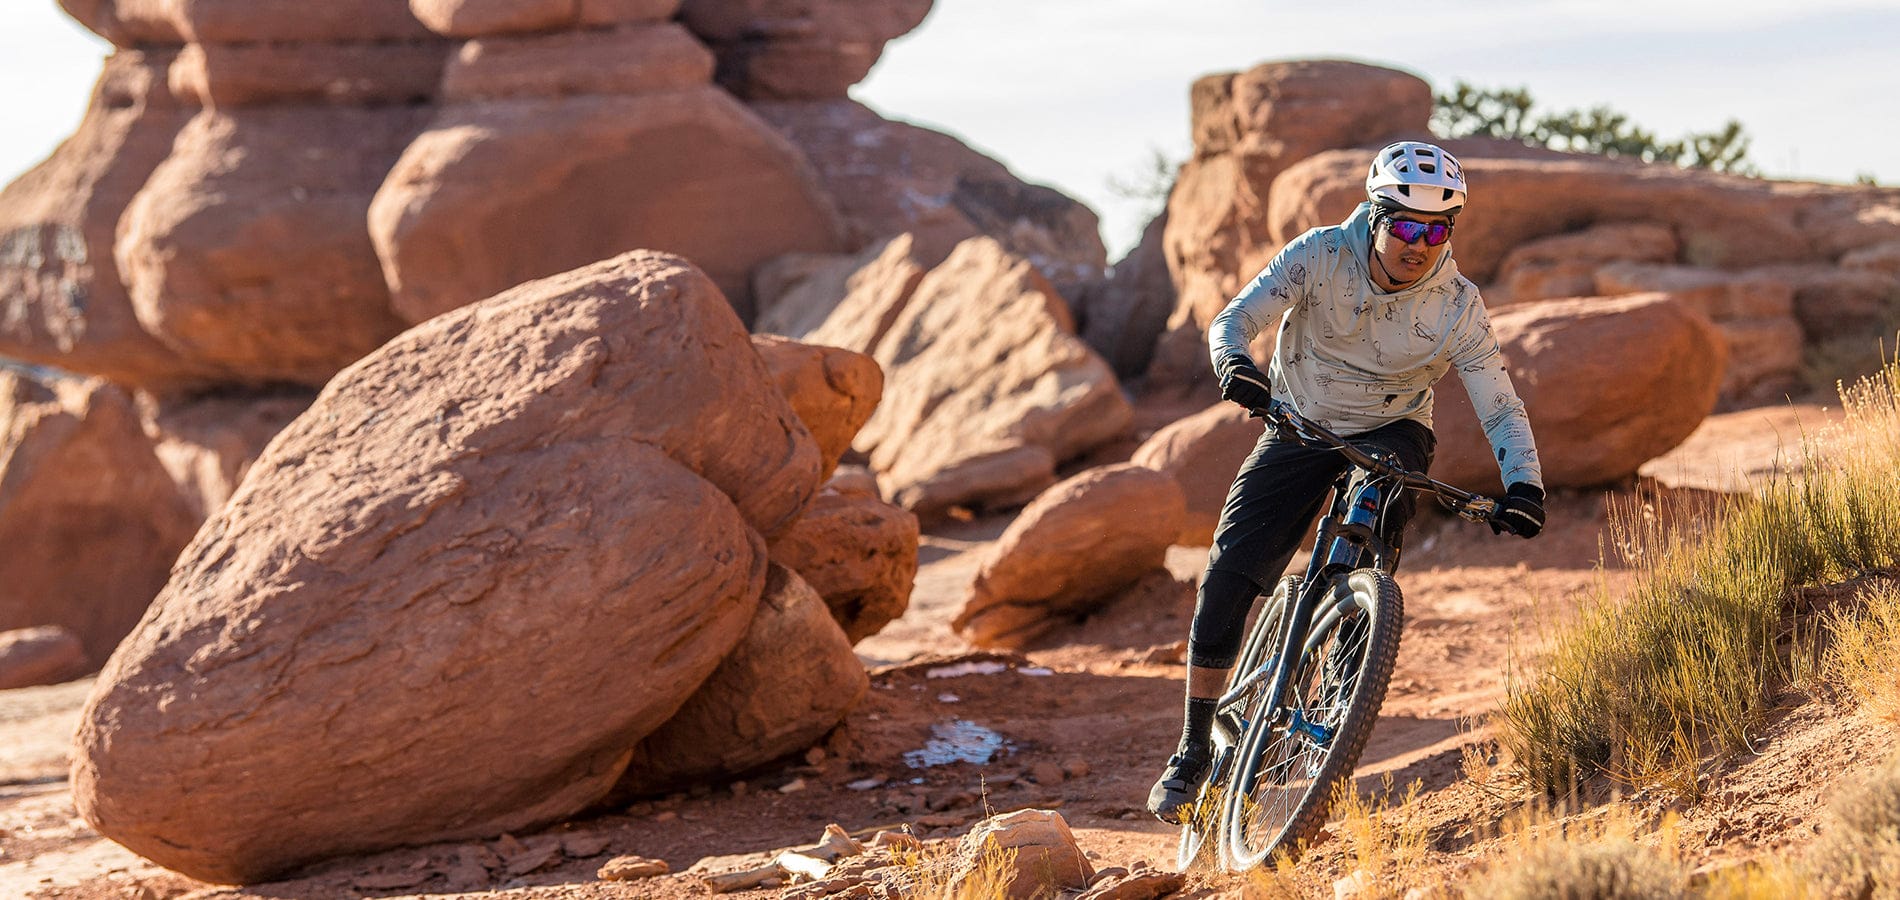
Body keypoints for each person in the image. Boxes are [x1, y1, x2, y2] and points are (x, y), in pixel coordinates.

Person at [1146, 140, 1547, 823]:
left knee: (1382, 499)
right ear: (1376, 213)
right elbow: (1234, 320)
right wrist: (1234, 364)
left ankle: (1346, 662)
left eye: (1437, 230)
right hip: (1299, 420)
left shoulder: (1458, 304)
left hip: (1394, 428)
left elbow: (1500, 404)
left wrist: (1525, 485)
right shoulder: (1320, 253)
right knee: (1229, 572)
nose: (1419, 244)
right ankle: (1192, 749)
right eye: (1406, 226)